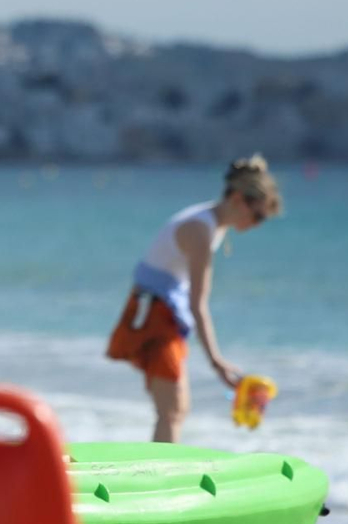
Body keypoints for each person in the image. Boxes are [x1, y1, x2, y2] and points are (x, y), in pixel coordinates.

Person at [106, 155, 282, 443]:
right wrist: (217, 362)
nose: (257, 224)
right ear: (238, 199)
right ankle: (160, 482)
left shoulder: (212, 223)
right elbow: (198, 303)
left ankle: (161, 474)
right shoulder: (200, 230)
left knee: (176, 409)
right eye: (258, 215)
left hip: (159, 311)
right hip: (154, 315)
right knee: (172, 410)